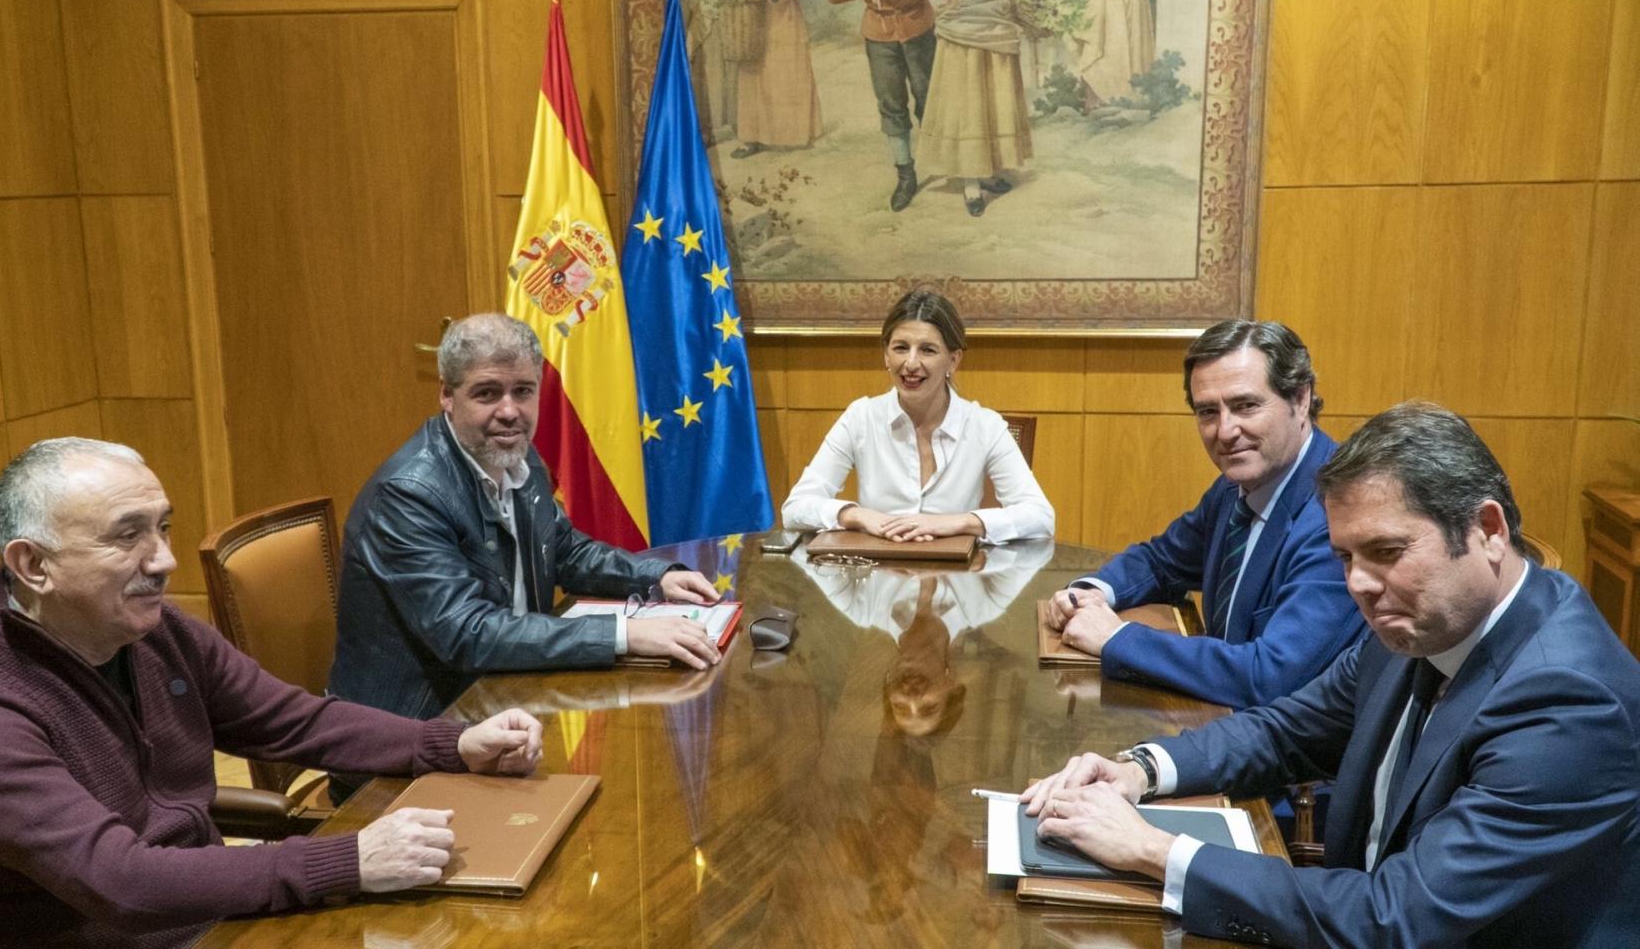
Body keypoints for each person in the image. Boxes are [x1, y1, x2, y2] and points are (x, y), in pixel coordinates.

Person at [1023, 403, 1640, 948]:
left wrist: (1153, 850)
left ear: (1488, 531)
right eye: (1345, 557)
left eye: (1387, 552)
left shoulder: (1569, 704)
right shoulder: (1423, 620)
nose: (1359, 585)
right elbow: (1288, 731)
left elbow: (1395, 920)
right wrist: (1141, 769)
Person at [0, 438, 548, 948]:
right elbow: (120, 882)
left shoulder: (156, 632)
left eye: (163, 528)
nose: (164, 561)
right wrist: (348, 860)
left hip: (216, 919)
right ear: (33, 566)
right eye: (128, 537)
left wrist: (451, 744)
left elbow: (294, 721)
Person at [331, 314, 722, 723]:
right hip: (417, 730)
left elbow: (565, 552)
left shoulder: (515, 456)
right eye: (487, 393)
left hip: (508, 697)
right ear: (447, 394)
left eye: (523, 391)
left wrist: (655, 578)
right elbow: (467, 633)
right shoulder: (408, 495)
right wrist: (623, 634)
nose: (509, 411)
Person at [1046, 320, 1364, 708]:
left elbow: (1270, 676)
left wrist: (1116, 638)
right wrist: (1093, 592)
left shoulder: (1340, 513)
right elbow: (1161, 561)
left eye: (1246, 406)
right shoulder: (1234, 488)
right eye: (1208, 412)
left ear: (1300, 399)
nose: (1225, 431)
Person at [780, 287, 1053, 544]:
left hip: (957, 575)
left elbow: (1040, 516)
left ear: (953, 360)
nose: (910, 363)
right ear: (886, 355)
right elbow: (795, 508)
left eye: (927, 350)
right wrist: (857, 515)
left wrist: (957, 523)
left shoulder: (985, 425)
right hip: (878, 572)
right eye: (900, 348)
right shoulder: (861, 417)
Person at [916, 0, 1032, 216]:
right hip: (961, 24)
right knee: (968, 102)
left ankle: (986, 171)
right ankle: (971, 183)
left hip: (995, 23)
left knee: (993, 98)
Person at [825, 0, 938, 211]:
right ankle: (906, 175)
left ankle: (951, 161)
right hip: (879, 34)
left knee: (931, 99)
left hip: (917, 27)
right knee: (890, 103)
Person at [730, 0, 824, 158]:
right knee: (751, 73)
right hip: (751, 15)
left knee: (785, 72)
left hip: (784, 15)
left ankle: (794, 135)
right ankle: (751, 137)